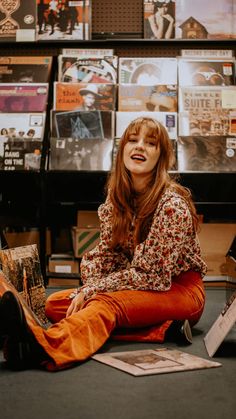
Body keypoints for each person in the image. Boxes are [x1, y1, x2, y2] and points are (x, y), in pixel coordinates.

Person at [0, 117, 207, 372]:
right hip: (142, 286)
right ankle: (164, 329)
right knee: (56, 304)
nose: (139, 147)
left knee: (103, 305)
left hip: (180, 291)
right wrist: (91, 287)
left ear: (162, 157)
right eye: (133, 140)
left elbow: (154, 277)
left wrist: (94, 291)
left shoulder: (171, 205)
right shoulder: (117, 198)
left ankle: (44, 346)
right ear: (122, 151)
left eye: (150, 143)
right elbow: (107, 257)